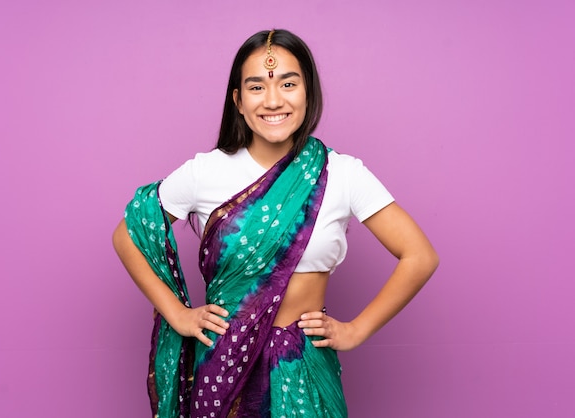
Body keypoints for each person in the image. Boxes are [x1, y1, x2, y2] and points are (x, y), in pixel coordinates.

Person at [113, 29, 439, 418]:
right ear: (238, 100)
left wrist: (356, 330)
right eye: (256, 87)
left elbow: (419, 256)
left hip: (303, 365)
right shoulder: (206, 172)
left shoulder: (341, 173)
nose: (273, 100)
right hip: (223, 368)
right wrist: (177, 313)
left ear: (308, 92)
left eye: (288, 83)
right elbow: (128, 235)